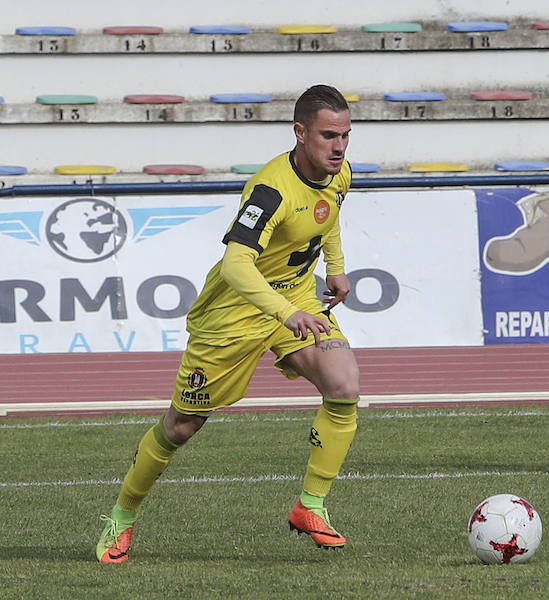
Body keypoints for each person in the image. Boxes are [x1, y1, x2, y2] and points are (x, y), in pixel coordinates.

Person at [96, 84, 360, 562]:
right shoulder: (270, 189)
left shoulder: (338, 173)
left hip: (295, 298)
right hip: (236, 313)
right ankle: (121, 518)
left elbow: (331, 216)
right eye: (328, 136)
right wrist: (287, 312)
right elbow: (238, 265)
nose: (339, 146)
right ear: (300, 133)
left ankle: (310, 505)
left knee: (343, 383)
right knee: (180, 427)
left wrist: (336, 266)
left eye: (345, 135)